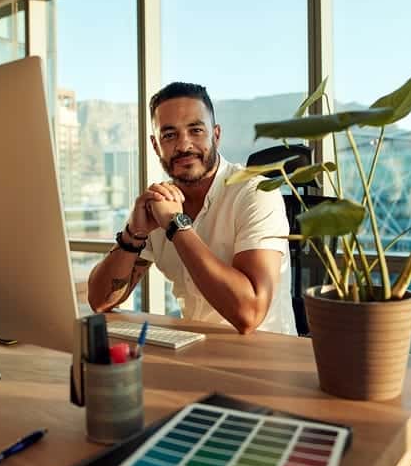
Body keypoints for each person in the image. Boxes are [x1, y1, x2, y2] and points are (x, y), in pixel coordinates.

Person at [87, 82, 296, 335]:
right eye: (169, 135)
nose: (184, 145)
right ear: (156, 145)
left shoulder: (256, 193)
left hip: (264, 360)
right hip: (193, 349)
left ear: (215, 135)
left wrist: (176, 225)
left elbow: (249, 314)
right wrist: (133, 234)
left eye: (196, 130)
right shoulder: (160, 203)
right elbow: (100, 301)